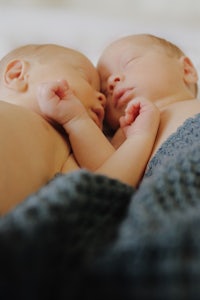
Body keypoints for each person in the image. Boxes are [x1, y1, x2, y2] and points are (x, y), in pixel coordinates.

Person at [0, 43, 160, 214]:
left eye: (101, 92)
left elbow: (106, 187)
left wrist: (139, 137)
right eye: (85, 78)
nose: (102, 98)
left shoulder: (63, 148)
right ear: (16, 74)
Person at [97, 33, 200, 160]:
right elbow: (109, 175)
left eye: (129, 62)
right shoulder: (123, 136)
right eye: (104, 90)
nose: (111, 81)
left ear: (186, 70)